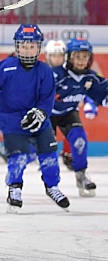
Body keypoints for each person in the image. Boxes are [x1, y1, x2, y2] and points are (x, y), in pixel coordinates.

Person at [0, 24, 70, 212]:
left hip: (40, 121)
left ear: (38, 47)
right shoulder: (6, 67)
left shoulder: (45, 71)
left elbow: (47, 98)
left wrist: (40, 112)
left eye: (31, 46)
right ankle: (14, 188)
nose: (27, 50)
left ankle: (52, 186)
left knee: (49, 156)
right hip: (12, 120)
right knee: (19, 157)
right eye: (23, 45)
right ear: (17, 46)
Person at [50, 38, 108, 197]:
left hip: (68, 113)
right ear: (69, 57)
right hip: (47, 114)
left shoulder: (91, 77)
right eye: (77, 56)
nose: (82, 61)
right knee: (40, 149)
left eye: (85, 57)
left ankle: (81, 175)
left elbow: (104, 93)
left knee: (80, 140)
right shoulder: (57, 75)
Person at [44, 39, 98, 171]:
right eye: (53, 55)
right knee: (44, 144)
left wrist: (90, 102)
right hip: (48, 113)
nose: (57, 59)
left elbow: (86, 87)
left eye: (60, 56)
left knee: (78, 138)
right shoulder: (45, 72)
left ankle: (76, 165)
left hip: (67, 111)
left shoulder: (75, 73)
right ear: (47, 56)